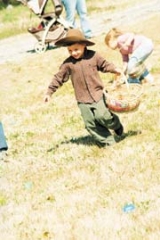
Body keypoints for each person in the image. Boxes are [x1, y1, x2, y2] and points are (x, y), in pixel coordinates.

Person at [44, 29, 124, 147]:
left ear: (84, 45)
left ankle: (116, 124)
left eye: (76, 49)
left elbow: (104, 65)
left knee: (103, 116)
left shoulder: (93, 56)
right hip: (82, 99)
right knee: (90, 124)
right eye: (70, 50)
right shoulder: (68, 64)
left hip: (97, 94)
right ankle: (108, 141)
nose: (73, 53)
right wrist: (49, 92)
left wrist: (114, 69)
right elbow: (58, 77)